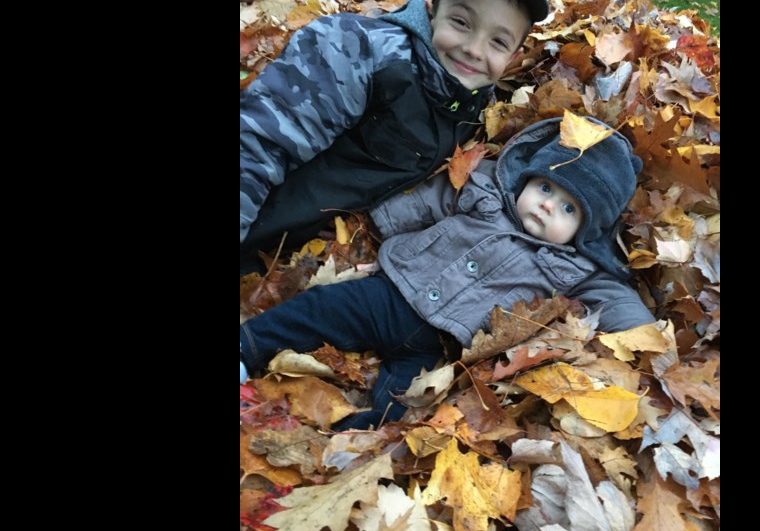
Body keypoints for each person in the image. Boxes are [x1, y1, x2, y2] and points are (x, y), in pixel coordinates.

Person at [239, 116, 657, 430]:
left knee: (404, 407)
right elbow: (433, 202)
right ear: (528, 179)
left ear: (586, 230)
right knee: (318, 308)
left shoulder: (574, 266)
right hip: (392, 293)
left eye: (568, 208)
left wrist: (647, 343)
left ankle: (345, 442)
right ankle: (248, 347)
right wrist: (384, 221)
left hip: (439, 348)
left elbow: (615, 299)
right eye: (545, 189)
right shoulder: (488, 194)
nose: (548, 205)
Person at [240, 0, 551, 273]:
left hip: (293, 258)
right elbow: (258, 144)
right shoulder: (357, 51)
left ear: (514, 57)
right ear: (432, 10)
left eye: (498, 41)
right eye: (461, 22)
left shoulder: (474, 104)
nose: (475, 49)